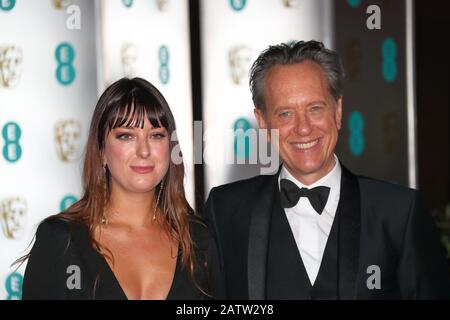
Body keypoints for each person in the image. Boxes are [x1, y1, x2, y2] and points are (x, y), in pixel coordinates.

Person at [205, 40, 450, 299]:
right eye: (286, 114)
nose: (303, 128)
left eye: (315, 108)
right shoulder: (226, 211)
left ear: (338, 111)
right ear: (263, 124)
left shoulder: (399, 212)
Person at [20, 77, 224, 300]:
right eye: (126, 136)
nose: (144, 151)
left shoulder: (198, 240)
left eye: (156, 135)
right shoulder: (61, 241)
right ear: (101, 151)